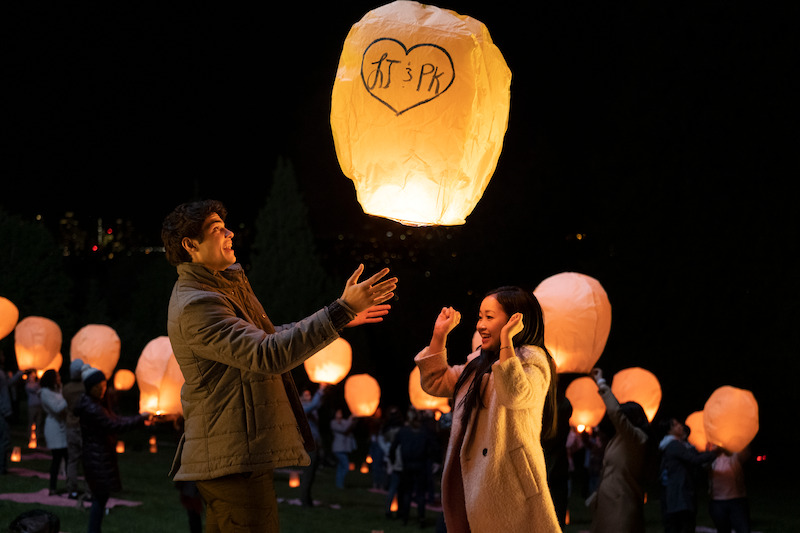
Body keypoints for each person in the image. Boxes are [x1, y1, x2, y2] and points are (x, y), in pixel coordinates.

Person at [161, 199, 397, 533]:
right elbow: (267, 353)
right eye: (217, 230)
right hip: (231, 462)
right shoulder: (197, 303)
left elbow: (266, 337)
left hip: (236, 456)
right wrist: (340, 310)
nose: (230, 233)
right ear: (190, 245)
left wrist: (340, 319)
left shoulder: (218, 288)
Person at [414, 286, 562, 532]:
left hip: (507, 486)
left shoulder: (533, 360)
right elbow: (435, 382)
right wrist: (439, 335)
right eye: (480, 317)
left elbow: (514, 395)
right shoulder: (477, 362)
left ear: (516, 320)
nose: (481, 324)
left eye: (489, 317)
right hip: (471, 482)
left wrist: (507, 342)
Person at [75, 364, 150, 533]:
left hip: (98, 456)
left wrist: (139, 419)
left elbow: (116, 419)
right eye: (99, 386)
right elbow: (114, 424)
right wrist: (140, 419)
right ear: (91, 388)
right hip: (97, 458)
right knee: (100, 498)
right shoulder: (92, 408)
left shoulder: (96, 405)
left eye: (103, 385)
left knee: (100, 498)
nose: (103, 389)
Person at [587, 368, 651, 533]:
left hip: (622, 506)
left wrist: (601, 383)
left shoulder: (636, 438)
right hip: (607, 505)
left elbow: (615, 412)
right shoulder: (618, 440)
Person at [658, 417, 719, 533]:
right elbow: (693, 459)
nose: (680, 426)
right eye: (676, 425)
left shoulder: (679, 445)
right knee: (684, 525)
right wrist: (714, 453)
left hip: (681, 493)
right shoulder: (674, 446)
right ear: (669, 430)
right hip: (679, 495)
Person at [389, 406, 436, 527]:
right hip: (419, 465)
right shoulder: (424, 431)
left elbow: (393, 447)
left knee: (407, 492)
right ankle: (420, 518)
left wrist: (393, 460)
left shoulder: (404, 431)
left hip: (408, 465)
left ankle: (406, 518)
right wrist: (435, 461)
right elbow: (434, 447)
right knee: (420, 493)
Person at [39, 369, 69, 495]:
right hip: (54, 428)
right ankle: (53, 487)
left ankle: (69, 486)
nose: (59, 377)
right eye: (56, 376)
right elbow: (56, 408)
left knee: (68, 458)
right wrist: (68, 398)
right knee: (56, 459)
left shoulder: (58, 390)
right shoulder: (44, 393)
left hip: (63, 426)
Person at [708, 445, 751, 533]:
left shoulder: (735, 455)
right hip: (717, 501)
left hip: (736, 499)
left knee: (743, 529)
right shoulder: (711, 457)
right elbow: (701, 461)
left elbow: (746, 451)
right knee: (723, 529)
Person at [62, 359, 86, 498]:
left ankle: (72, 489)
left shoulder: (66, 389)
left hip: (70, 425)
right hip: (84, 426)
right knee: (86, 460)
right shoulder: (86, 388)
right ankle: (89, 490)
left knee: (72, 460)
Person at [299, 383, 327, 506]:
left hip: (316, 444)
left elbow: (318, 403)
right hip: (308, 446)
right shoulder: (301, 408)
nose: (309, 397)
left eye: (310, 395)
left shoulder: (311, 408)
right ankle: (305, 500)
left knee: (312, 473)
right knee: (308, 473)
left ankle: (307, 498)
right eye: (306, 395)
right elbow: (314, 404)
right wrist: (320, 390)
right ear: (300, 397)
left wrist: (324, 392)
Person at [1, 352, 28, 474]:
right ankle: (2, 468)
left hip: (3, 411)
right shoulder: (0, 374)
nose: (4, 357)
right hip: (2, 412)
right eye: (1, 355)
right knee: (3, 440)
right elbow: (8, 384)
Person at [330, 408, 358, 489]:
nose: (339, 414)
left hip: (344, 448)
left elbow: (350, 426)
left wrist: (355, 419)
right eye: (338, 412)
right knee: (346, 466)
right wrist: (351, 418)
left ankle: (339, 484)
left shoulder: (344, 421)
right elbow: (344, 429)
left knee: (340, 467)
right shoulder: (333, 423)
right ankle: (340, 483)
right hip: (338, 448)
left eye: (340, 412)